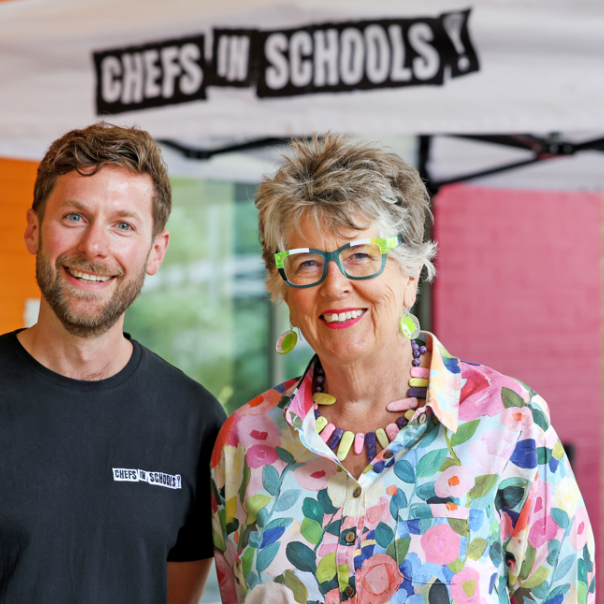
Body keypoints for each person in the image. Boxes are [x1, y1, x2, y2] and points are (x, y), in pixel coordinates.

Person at [210, 134, 595, 604]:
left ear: (411, 273)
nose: (335, 287)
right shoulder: (244, 441)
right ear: (283, 288)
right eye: (307, 263)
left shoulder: (509, 424)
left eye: (360, 256)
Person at [0, 123, 225, 604]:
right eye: (74, 217)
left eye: (123, 225)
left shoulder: (195, 422)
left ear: (155, 252)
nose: (94, 247)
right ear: (34, 229)